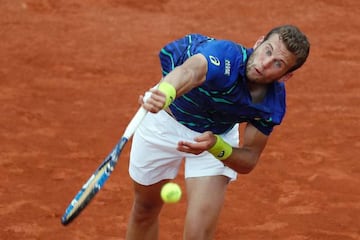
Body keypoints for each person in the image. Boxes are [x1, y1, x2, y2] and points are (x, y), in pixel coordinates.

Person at [125, 25, 310, 240]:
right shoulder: (226, 55)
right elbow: (190, 72)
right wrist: (165, 94)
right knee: (145, 210)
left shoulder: (271, 104)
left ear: (285, 76)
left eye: (278, 64)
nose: (265, 64)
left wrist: (215, 146)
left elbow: (249, 159)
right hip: (164, 122)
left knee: (199, 236)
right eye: (268, 51)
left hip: (214, 137)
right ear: (258, 43)